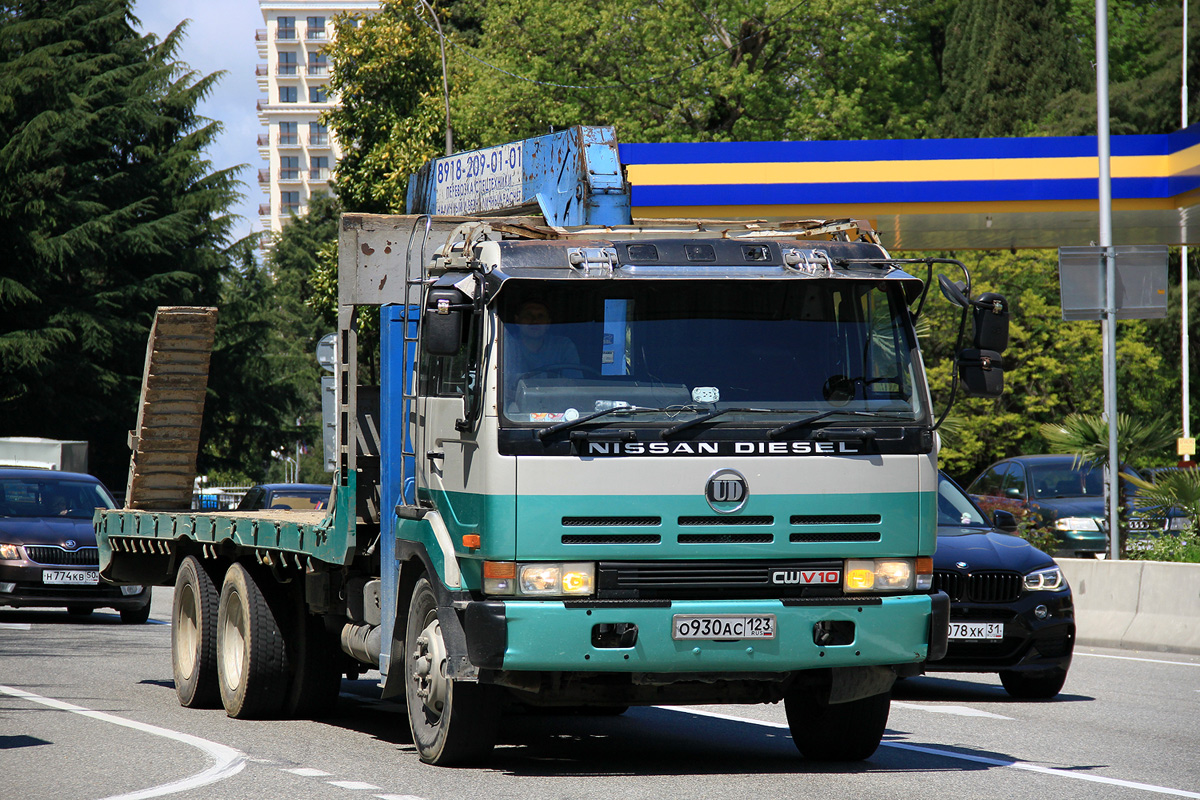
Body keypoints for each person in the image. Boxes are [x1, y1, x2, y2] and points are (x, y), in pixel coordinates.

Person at [504, 299, 581, 397]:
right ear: (517, 320)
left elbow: (574, 384)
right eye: (528, 315)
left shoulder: (563, 345)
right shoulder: (506, 345)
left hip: (558, 404)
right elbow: (503, 390)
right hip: (516, 407)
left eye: (540, 316)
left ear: (548, 323)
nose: (535, 321)